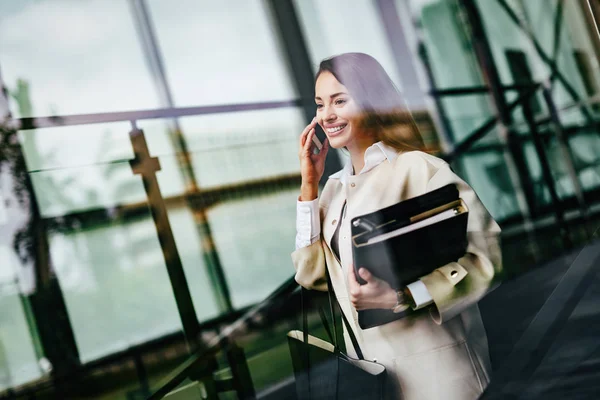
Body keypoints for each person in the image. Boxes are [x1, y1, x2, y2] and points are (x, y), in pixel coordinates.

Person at [292, 52, 502, 400]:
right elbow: (311, 276)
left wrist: (403, 296)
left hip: (439, 372)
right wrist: (309, 185)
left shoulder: (419, 169)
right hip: (376, 376)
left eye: (340, 100)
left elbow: (484, 258)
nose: (327, 114)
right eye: (320, 104)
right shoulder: (333, 190)